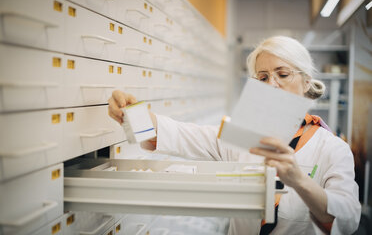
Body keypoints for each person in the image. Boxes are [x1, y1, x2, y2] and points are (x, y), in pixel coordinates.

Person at [108, 36, 361, 234]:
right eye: (262, 78)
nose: (271, 84)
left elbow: (348, 221)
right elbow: (177, 134)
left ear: (306, 82)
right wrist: (132, 114)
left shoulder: (332, 149)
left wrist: (299, 181)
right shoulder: (244, 136)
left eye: (282, 74)